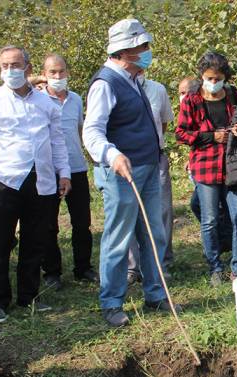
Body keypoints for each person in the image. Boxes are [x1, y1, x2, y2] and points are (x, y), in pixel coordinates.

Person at [83, 19, 177, 327]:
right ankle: (111, 302)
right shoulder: (105, 83)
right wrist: (112, 154)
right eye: (143, 47)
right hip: (121, 172)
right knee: (118, 237)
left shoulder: (135, 79)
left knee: (154, 233)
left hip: (149, 168)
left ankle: (155, 293)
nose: (148, 51)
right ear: (126, 51)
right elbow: (92, 132)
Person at [0, 45, 71, 323]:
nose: (10, 71)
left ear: (28, 68)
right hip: (4, 180)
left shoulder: (46, 104)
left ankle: (29, 297)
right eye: (5, 66)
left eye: (16, 65)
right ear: (0, 69)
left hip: (41, 181)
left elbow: (57, 141)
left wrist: (64, 173)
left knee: (35, 242)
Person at [176, 51, 237, 286]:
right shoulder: (192, 100)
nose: (213, 82)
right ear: (202, 76)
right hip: (206, 166)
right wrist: (210, 137)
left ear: (225, 77)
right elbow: (181, 133)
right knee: (209, 220)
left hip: (234, 164)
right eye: (209, 77)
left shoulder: (232, 95)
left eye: (218, 78)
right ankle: (215, 267)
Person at [32, 54, 97, 291]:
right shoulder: (36, 99)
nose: (58, 77)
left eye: (61, 72)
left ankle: (83, 267)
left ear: (68, 72)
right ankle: (52, 272)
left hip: (76, 168)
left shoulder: (77, 99)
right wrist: (35, 81)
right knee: (49, 224)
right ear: (44, 74)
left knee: (82, 222)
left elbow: (80, 131)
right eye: (52, 73)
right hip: (48, 170)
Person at [127, 69, 175, 285]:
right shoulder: (114, 88)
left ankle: (160, 263)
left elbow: (163, 123)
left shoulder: (158, 90)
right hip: (127, 161)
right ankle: (132, 268)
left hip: (155, 158)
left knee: (161, 211)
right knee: (129, 213)